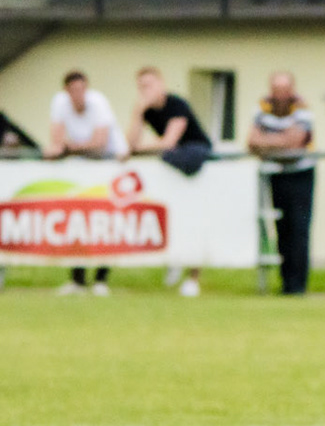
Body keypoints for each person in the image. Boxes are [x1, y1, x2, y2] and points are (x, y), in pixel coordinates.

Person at [128, 67, 214, 296]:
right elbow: (130, 145)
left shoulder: (177, 105)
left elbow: (167, 143)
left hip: (195, 171)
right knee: (172, 221)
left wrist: (141, 148)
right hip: (173, 178)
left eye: (150, 85)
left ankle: (192, 278)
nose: (146, 90)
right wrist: (137, 113)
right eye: (142, 86)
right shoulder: (147, 112)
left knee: (195, 222)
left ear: (161, 84)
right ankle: (176, 259)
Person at [46, 70, 127, 296]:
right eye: (74, 90)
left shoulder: (98, 103)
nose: (79, 94)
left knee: (105, 222)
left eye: (82, 89)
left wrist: (70, 147)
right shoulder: (59, 103)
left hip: (108, 164)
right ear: (66, 91)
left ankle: (101, 279)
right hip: (83, 167)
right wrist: (70, 148)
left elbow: (100, 143)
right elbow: (55, 142)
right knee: (77, 220)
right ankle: (78, 280)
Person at [247, 72, 316, 297]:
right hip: (276, 173)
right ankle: (286, 283)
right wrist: (281, 141)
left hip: (301, 174)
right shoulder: (262, 108)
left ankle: (298, 285)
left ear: (292, 89)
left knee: (299, 228)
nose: (280, 94)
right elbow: (251, 141)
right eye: (276, 89)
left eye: (284, 89)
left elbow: (295, 142)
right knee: (281, 229)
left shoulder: (302, 108)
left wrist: (268, 143)